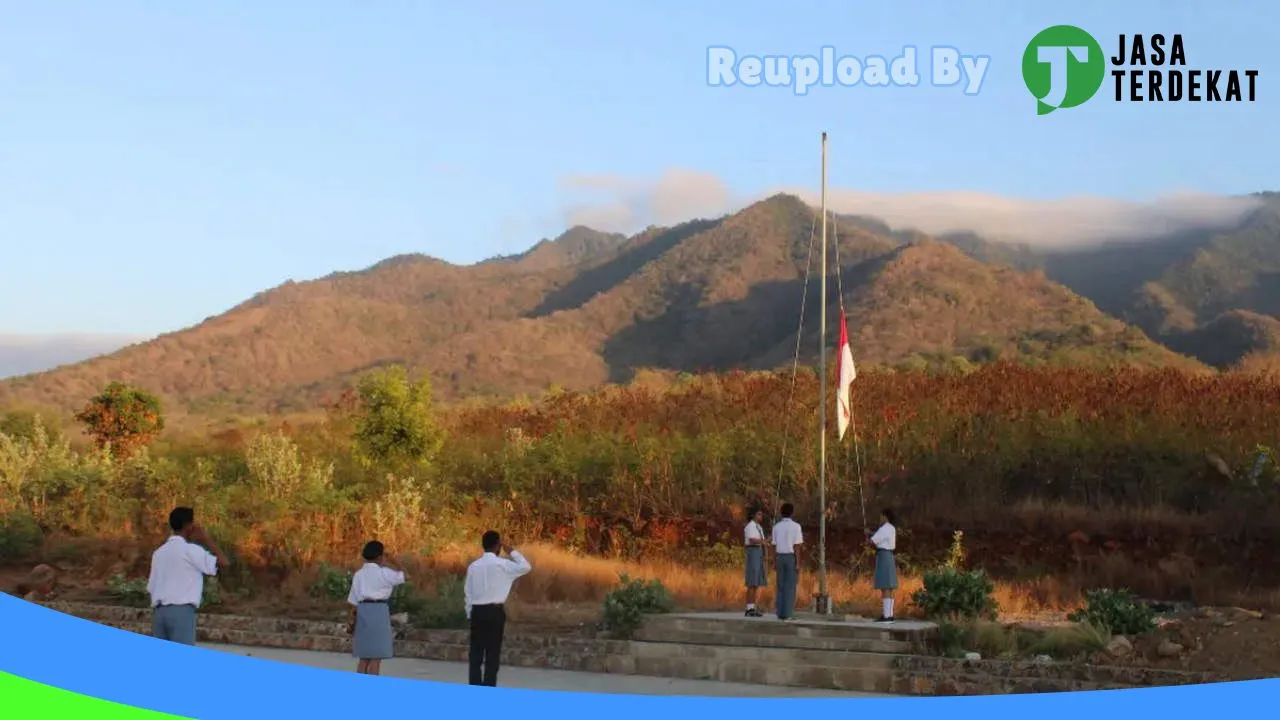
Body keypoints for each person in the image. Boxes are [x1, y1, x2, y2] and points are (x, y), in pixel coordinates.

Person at [146, 506, 230, 645]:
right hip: (181, 611)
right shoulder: (190, 550)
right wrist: (205, 539)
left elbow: (151, 587)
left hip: (159, 613)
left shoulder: (158, 553)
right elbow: (224, 562)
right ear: (189, 526)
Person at [463, 530, 532, 687]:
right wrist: (511, 551)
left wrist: (469, 613)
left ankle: (474, 687)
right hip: (495, 612)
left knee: (475, 654)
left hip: (477, 612)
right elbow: (526, 566)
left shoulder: (474, 567)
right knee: (492, 653)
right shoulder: (504, 565)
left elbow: (468, 593)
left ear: (483, 545)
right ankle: (489, 687)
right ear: (498, 546)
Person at [346, 540, 407, 675]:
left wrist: (351, 622)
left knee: (364, 657)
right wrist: (394, 561)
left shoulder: (359, 574)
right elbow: (404, 575)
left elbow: (353, 602)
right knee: (376, 657)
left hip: (362, 611)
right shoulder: (385, 573)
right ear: (380, 556)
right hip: (379, 611)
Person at [770, 502, 803, 621]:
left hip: (779, 556)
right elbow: (797, 546)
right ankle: (788, 613)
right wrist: (798, 562)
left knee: (780, 585)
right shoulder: (796, 526)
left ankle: (780, 612)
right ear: (792, 513)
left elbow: (773, 545)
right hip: (790, 556)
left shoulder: (776, 527)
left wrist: (773, 561)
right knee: (790, 586)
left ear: (781, 512)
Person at [867, 508, 898, 623]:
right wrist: (871, 533)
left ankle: (886, 616)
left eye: (881, 516)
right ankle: (889, 614)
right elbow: (880, 537)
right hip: (889, 556)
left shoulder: (884, 528)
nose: (880, 519)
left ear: (885, 517)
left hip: (884, 556)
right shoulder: (891, 528)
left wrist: (868, 537)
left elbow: (873, 541)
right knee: (889, 586)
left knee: (885, 586)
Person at [743, 506, 768, 617]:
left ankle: (753, 606)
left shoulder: (759, 527)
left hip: (758, 553)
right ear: (753, 515)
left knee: (756, 581)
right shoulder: (750, 526)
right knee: (752, 581)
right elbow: (752, 540)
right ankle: (749, 608)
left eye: (761, 514)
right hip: (753, 552)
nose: (761, 516)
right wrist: (763, 541)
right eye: (758, 514)